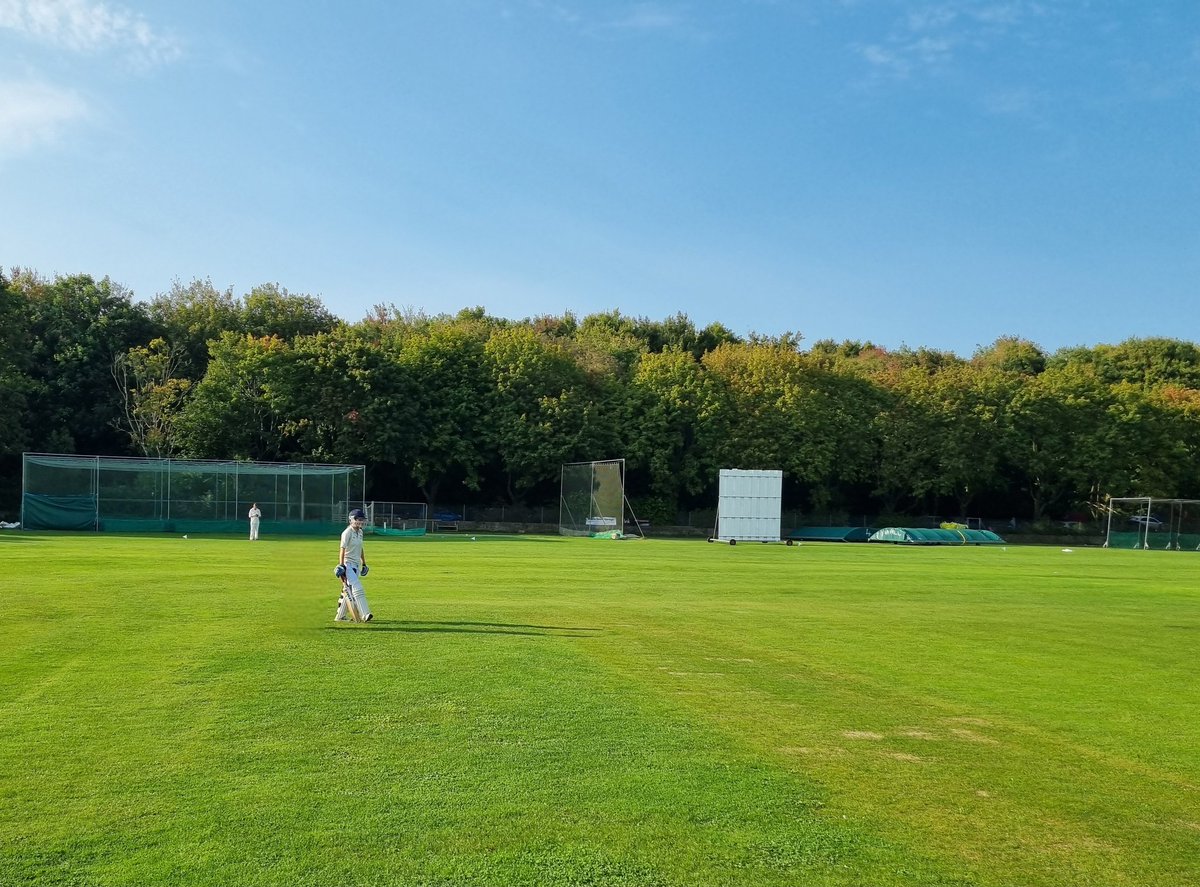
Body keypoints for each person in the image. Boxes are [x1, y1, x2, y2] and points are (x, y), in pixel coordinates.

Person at [335, 508, 373, 622]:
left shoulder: (360, 532)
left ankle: (340, 616)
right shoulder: (347, 533)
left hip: (356, 565)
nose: (360, 522)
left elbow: (360, 548)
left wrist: (364, 563)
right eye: (358, 519)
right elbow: (342, 549)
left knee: (349, 591)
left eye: (362, 519)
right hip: (347, 564)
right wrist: (341, 565)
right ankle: (365, 614)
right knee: (357, 587)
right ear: (351, 520)